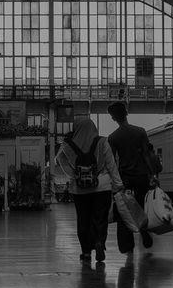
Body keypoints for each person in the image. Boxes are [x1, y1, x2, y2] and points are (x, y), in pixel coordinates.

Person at [53, 116, 124, 264]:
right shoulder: (102, 141)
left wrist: (74, 175)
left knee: (83, 219)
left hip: (79, 189)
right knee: (100, 218)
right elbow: (111, 164)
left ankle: (86, 251)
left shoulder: (67, 145)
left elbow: (59, 161)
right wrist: (118, 184)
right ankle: (99, 242)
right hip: (102, 186)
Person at [106, 101, 160, 256]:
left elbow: (113, 162)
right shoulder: (140, 131)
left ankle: (127, 248)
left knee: (125, 211)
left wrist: (114, 181)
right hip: (142, 176)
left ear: (113, 118)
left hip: (125, 179)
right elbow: (146, 154)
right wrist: (152, 174)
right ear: (127, 113)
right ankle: (143, 229)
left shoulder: (113, 137)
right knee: (142, 207)